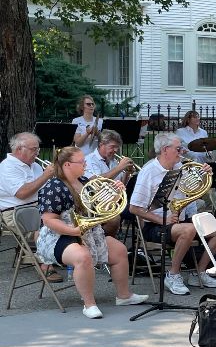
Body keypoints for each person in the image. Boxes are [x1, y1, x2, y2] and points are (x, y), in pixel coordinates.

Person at [35, 146, 148, 318]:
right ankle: (89, 304)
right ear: (67, 165)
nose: (85, 164)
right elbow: (49, 220)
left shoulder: (84, 180)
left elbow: (100, 207)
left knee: (119, 251)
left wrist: (116, 194)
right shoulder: (54, 186)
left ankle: (124, 296)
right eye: (81, 161)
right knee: (83, 257)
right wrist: (73, 231)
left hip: (88, 232)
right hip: (59, 236)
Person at [129, 133, 216, 295]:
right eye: (178, 148)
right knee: (188, 230)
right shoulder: (149, 171)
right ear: (166, 150)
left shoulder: (181, 168)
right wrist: (162, 219)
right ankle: (172, 274)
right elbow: (134, 208)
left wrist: (204, 176)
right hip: (155, 225)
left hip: (179, 220)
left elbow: (192, 194)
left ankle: (198, 273)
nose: (182, 151)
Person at [0, 132, 61, 282]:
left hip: (37, 207)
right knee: (46, 223)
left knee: (68, 215)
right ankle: (46, 265)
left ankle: (63, 254)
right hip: (17, 212)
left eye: (38, 149)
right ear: (19, 149)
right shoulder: (7, 167)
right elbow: (22, 193)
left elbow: (45, 189)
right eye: (34, 149)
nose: (37, 153)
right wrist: (46, 176)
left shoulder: (34, 166)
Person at [84, 130, 135, 237]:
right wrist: (119, 168)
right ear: (101, 144)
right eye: (112, 147)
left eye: (117, 147)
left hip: (114, 201)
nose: (115, 150)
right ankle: (104, 241)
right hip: (96, 203)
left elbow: (121, 186)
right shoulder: (89, 160)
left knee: (140, 208)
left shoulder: (113, 161)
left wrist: (127, 173)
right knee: (114, 220)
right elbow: (95, 182)